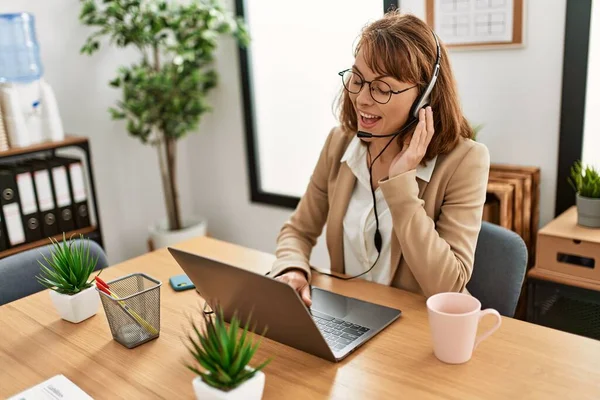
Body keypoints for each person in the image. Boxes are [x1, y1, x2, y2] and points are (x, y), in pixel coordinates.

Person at [269, 10, 490, 307]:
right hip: (350, 318)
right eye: (357, 80)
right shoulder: (340, 143)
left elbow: (448, 287)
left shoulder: (466, 161)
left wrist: (401, 185)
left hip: (418, 333)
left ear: (424, 96)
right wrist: (292, 268)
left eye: (382, 88)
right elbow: (298, 230)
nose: (362, 99)